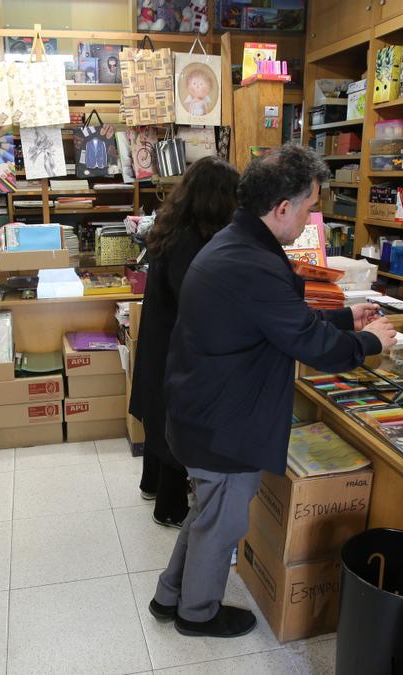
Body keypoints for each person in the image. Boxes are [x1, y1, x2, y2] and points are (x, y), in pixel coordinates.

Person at [149, 144, 397, 638]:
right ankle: (197, 613)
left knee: (206, 514)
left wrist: (346, 316)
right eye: (309, 207)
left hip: (203, 411)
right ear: (282, 208)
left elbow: (279, 319)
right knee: (221, 526)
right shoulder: (251, 261)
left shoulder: (238, 245)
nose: (310, 219)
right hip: (222, 423)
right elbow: (306, 340)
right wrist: (368, 341)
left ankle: (169, 595)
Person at [130, 156, 240, 528]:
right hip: (173, 340)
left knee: (158, 412)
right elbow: (190, 297)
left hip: (159, 335)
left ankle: (151, 485)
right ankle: (170, 507)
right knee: (172, 418)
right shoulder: (192, 239)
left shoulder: (172, 224)